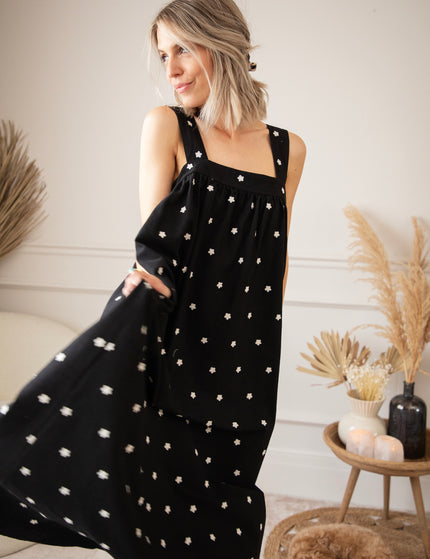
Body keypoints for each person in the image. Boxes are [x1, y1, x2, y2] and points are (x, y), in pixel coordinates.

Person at [0, 1, 305, 558]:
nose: (172, 68)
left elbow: (276, 262)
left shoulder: (288, 151)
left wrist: (252, 345)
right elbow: (153, 248)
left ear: (222, 43)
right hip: (170, 339)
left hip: (245, 356)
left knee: (224, 509)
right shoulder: (168, 126)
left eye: (182, 48)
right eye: (164, 55)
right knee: (149, 508)